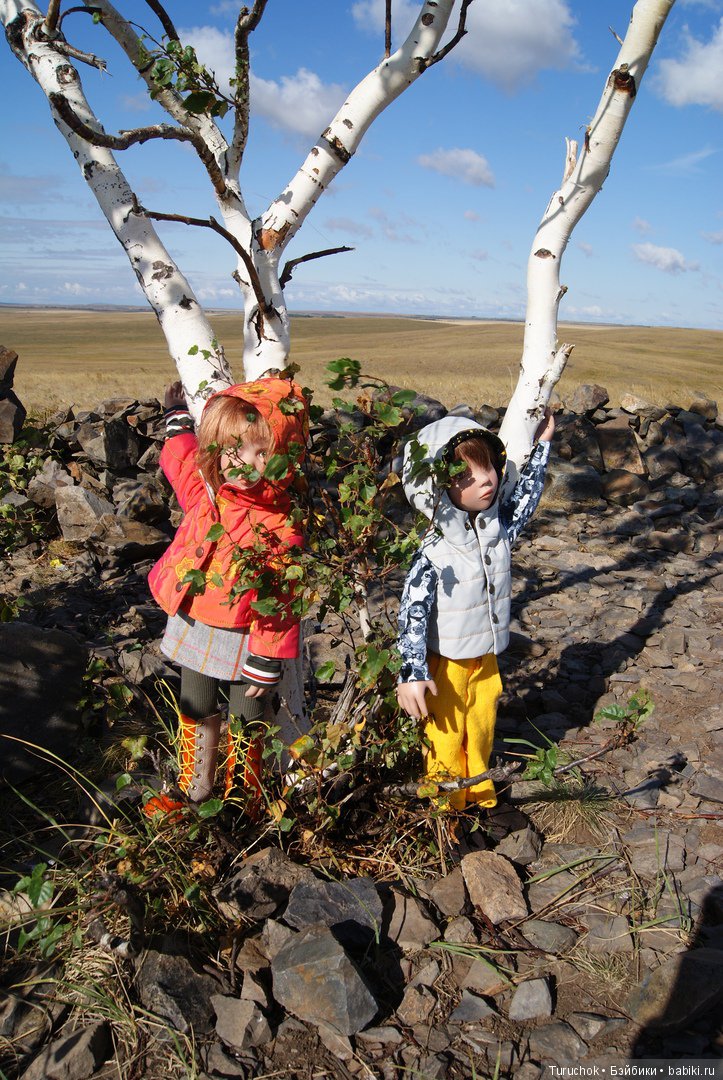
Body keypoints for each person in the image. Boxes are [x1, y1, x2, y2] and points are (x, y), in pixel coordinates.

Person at [144, 374, 308, 817]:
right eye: (234, 448)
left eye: (261, 452)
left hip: (244, 636)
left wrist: (267, 656)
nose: (244, 462)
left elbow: (280, 595)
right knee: (194, 702)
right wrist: (178, 421)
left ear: (281, 457)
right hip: (195, 618)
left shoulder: (280, 523)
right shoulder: (210, 492)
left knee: (247, 714)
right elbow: (181, 464)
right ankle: (192, 789)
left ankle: (243, 797)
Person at [396, 409, 555, 809]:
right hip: (445, 664)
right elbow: (412, 612)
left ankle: (479, 790)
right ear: (436, 489)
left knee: (482, 725)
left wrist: (541, 447)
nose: (484, 479)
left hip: (486, 657)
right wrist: (412, 671)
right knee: (445, 733)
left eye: (487, 468)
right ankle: (445, 805)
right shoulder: (434, 551)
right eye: (465, 475)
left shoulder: (496, 529)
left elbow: (526, 500)